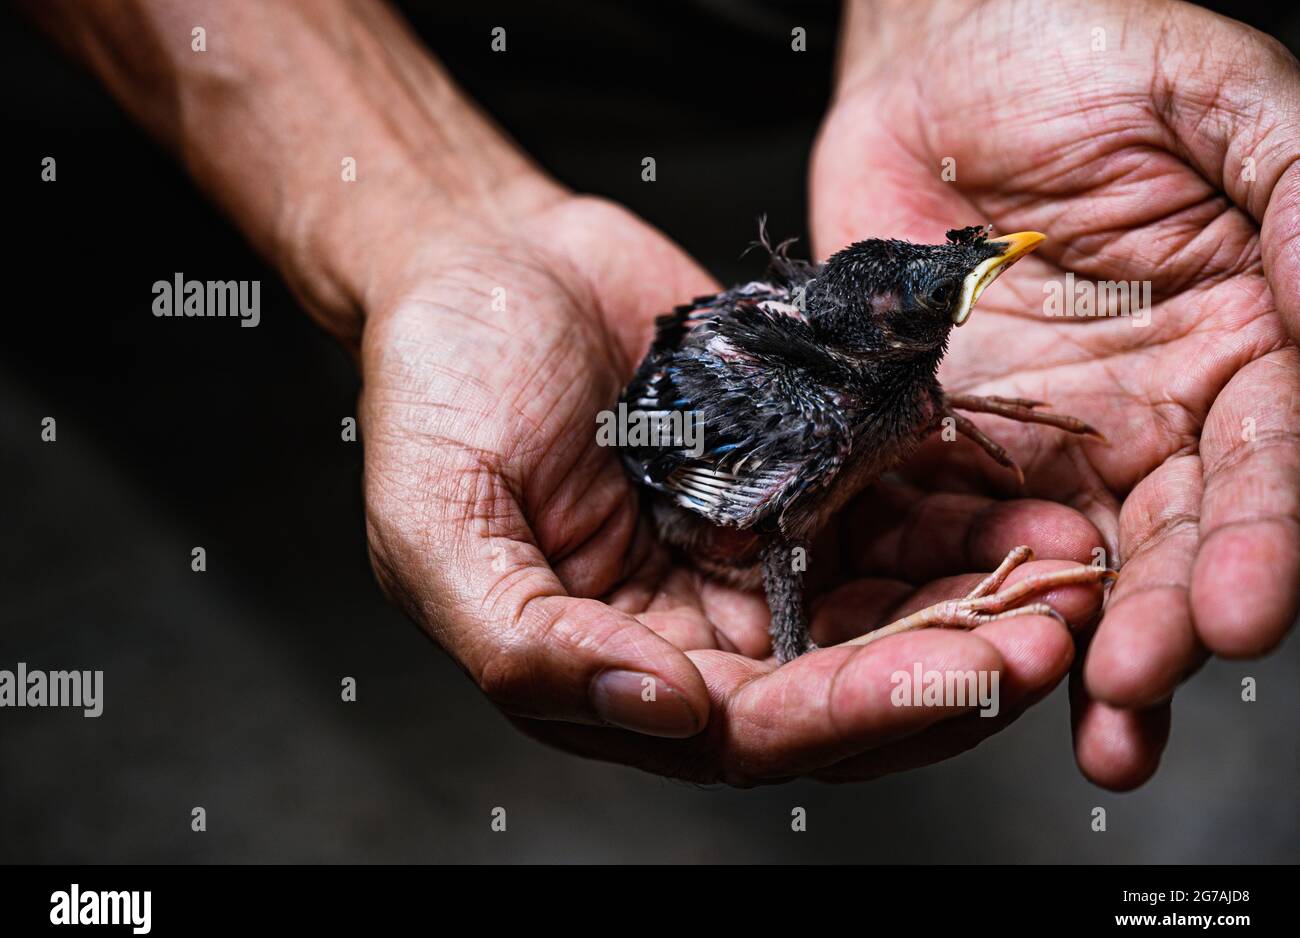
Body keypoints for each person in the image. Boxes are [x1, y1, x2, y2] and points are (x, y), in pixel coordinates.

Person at [31, 0, 1299, 789]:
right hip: (698, 492)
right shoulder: (805, 414)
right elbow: (743, 514)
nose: (979, 275)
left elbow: (919, 372)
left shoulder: (881, 361)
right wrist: (417, 211)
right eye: (933, 301)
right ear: (867, 336)